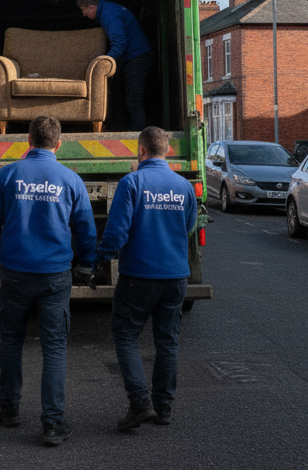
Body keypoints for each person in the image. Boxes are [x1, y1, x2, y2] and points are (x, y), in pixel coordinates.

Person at [0, 116, 98, 447]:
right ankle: (53, 423)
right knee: (54, 346)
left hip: (15, 273)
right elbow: (86, 229)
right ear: (58, 144)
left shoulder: (8, 175)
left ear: (27, 141)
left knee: (12, 340)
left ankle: (10, 408)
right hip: (55, 275)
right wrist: (87, 265)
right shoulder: (71, 180)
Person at [95, 125, 198, 431]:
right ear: (166, 151)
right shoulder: (184, 187)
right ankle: (164, 408)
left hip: (138, 276)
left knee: (126, 335)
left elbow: (116, 232)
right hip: (176, 276)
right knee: (167, 342)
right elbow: (189, 227)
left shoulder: (132, 183)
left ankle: (140, 402)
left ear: (141, 151)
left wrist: (101, 257)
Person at [77, 0, 152, 130]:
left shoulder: (109, 14)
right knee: (128, 99)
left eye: (83, 10)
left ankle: (139, 136)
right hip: (133, 58)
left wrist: (105, 63)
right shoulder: (109, 10)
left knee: (133, 101)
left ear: (92, 7)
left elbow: (119, 43)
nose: (83, 14)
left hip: (136, 58)